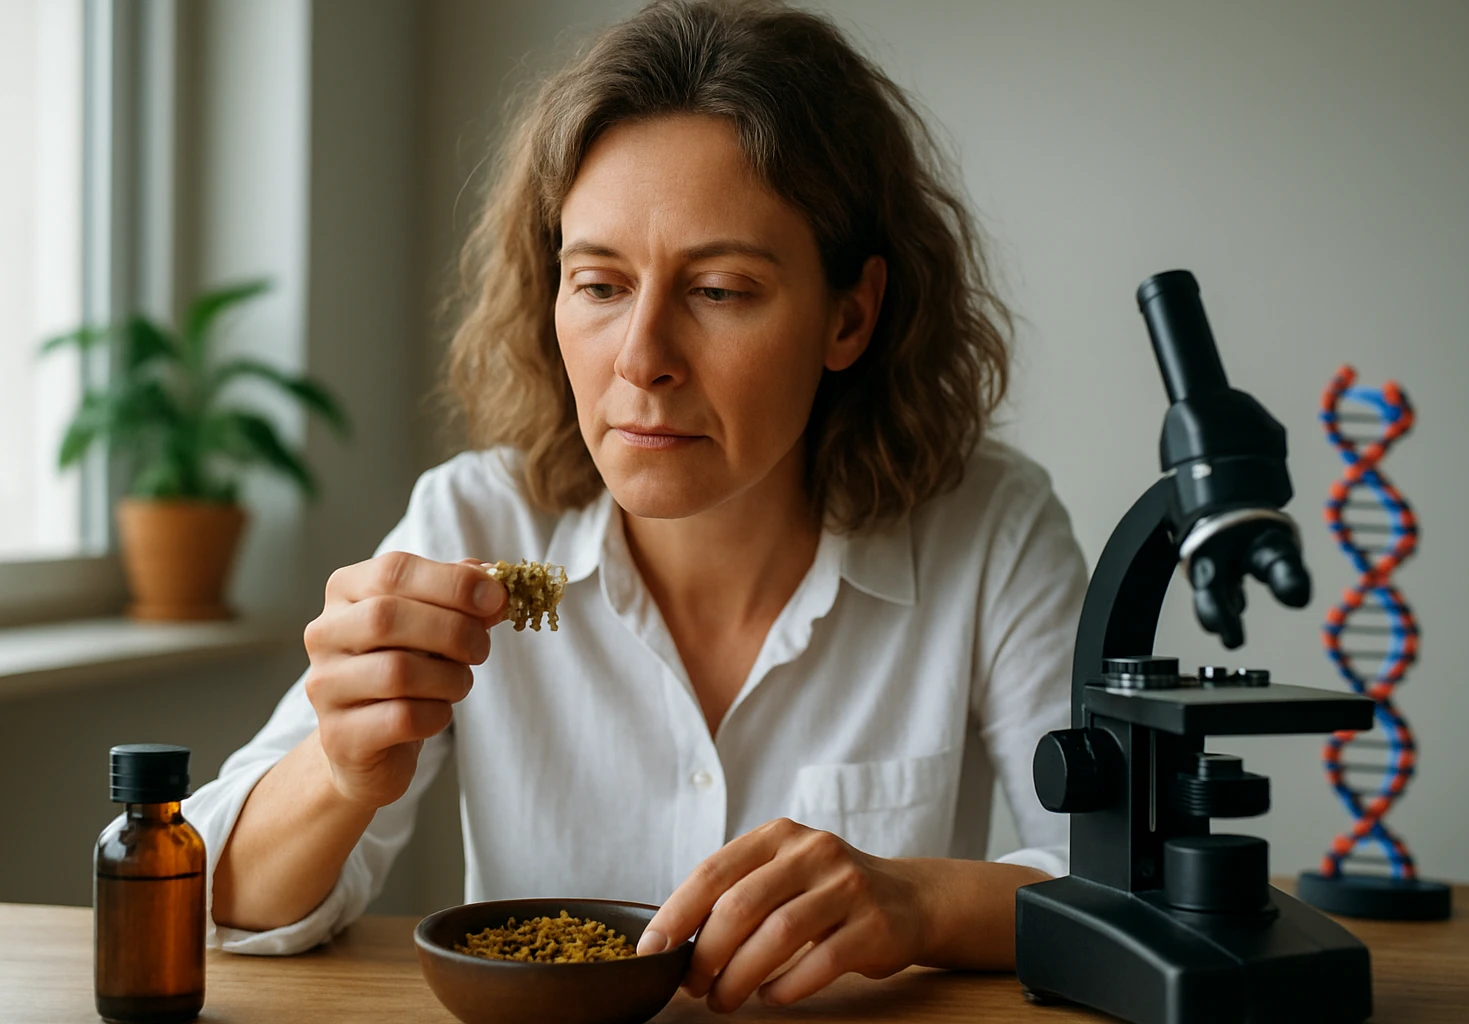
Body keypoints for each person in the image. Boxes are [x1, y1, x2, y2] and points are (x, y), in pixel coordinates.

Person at [184, 0, 1087, 1012]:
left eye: (721, 291)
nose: (643, 361)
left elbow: (1136, 889)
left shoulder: (993, 532)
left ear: (851, 314)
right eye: (601, 284)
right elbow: (210, 899)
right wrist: (343, 771)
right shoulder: (474, 524)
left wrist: (916, 901)